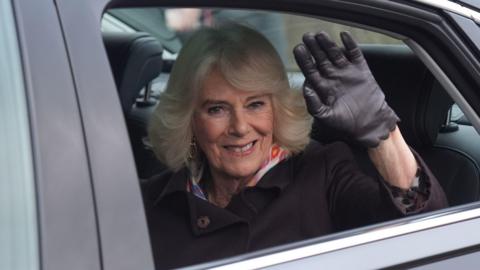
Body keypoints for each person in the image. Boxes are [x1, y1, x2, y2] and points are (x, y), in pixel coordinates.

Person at [144, 24, 447, 269]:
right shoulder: (149, 201)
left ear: (277, 109)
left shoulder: (323, 172)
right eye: (217, 109)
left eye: (256, 104)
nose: (239, 127)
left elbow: (424, 230)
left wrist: (382, 130)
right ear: (189, 119)